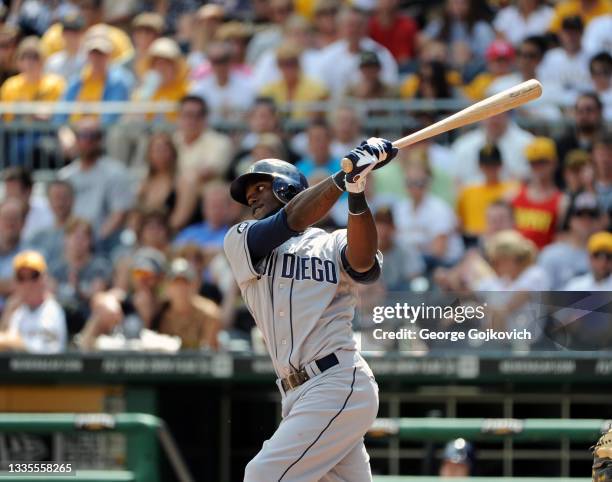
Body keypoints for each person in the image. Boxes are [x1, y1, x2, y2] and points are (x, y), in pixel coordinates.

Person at [224, 137, 399, 480]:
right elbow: (290, 220)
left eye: (261, 186)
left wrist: (356, 189)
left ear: (289, 190)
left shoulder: (329, 242)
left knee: (262, 476)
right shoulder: (240, 238)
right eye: (249, 195)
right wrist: (342, 178)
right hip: (296, 394)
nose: (252, 197)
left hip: (336, 379)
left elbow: (364, 264)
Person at [58, 119, 135, 242]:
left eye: (93, 136)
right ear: (76, 139)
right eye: (83, 136)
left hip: (107, 243)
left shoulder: (116, 173)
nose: (88, 141)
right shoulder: (65, 176)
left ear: (100, 140)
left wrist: (94, 241)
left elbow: (119, 213)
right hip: (70, 243)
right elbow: (58, 215)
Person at [393, 161, 465, 267]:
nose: (414, 188)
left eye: (419, 183)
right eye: (410, 183)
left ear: (427, 183)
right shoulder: (400, 208)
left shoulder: (439, 209)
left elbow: (439, 250)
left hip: (444, 264)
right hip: (411, 262)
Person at [56, 29, 133, 126]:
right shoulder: (77, 80)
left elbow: (110, 118)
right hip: (74, 132)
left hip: (102, 135)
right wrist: (64, 131)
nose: (97, 58)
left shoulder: (120, 81)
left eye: (101, 54)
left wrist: (88, 127)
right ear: (87, 55)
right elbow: (60, 115)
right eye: (93, 53)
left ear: (109, 55)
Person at [48, 218, 111, 331]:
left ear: (90, 241)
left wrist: (77, 290)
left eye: (83, 237)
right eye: (75, 236)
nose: (78, 242)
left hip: (88, 317)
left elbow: (97, 295)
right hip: (60, 317)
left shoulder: (99, 266)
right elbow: (49, 295)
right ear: (65, 239)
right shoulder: (55, 268)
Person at [0, 251, 67, 353]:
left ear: (44, 279)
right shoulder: (17, 311)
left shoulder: (52, 310)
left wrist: (8, 340)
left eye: (33, 276)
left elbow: (43, 351)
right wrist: (7, 314)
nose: (28, 283)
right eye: (21, 278)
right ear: (15, 282)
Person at [539, 192, 603, 289]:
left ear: (599, 221)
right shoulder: (551, 254)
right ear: (570, 220)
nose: (586, 220)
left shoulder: (606, 257)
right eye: (580, 215)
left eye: (592, 215)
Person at [137, 132, 199, 232]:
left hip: (174, 236)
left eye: (164, 150)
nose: (160, 154)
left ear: (173, 153)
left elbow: (180, 219)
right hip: (145, 236)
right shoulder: (145, 183)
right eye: (156, 150)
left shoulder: (184, 181)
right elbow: (136, 214)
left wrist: (159, 234)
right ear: (149, 154)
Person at [154, 258, 221, 350]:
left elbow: (209, 350)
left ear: (195, 285)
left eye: (185, 283)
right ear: (168, 287)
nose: (181, 289)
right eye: (176, 283)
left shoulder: (209, 313)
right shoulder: (161, 312)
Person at [511, 137, 566, 249]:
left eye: (542, 162)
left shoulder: (562, 201)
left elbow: (560, 239)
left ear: (554, 163)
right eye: (533, 163)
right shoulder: (514, 195)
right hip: (514, 257)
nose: (537, 167)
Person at [456, 144, 519, 241]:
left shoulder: (513, 189)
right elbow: (461, 224)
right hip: (475, 240)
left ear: (500, 165)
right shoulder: (468, 191)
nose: (490, 169)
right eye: (486, 165)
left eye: (494, 165)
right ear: (480, 166)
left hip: (504, 238)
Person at [451, 112, 534, 185]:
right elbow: (457, 180)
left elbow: (531, 178)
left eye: (498, 114)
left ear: (508, 114)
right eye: (489, 114)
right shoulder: (463, 145)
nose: (494, 120)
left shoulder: (527, 143)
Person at [260, 42, 329, 120]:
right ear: (278, 66)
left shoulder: (317, 89)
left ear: (299, 64)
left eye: (292, 63)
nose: (288, 68)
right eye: (283, 64)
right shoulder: (268, 90)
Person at [189, 41, 255, 123]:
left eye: (224, 60)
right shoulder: (199, 88)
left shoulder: (248, 86)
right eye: (215, 61)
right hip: (209, 133)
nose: (220, 66)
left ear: (231, 60)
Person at [173, 95, 234, 182]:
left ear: (205, 118)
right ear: (179, 117)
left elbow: (208, 172)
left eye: (198, 115)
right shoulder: (172, 140)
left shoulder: (220, 142)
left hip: (207, 190)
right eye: (188, 115)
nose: (193, 120)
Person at [537, 16, 591, 107]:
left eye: (575, 32)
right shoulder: (550, 57)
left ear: (582, 33)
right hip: (554, 106)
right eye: (568, 32)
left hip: (583, 107)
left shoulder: (591, 57)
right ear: (560, 34)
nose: (571, 36)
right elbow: (544, 85)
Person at [556, 93, 606, 184]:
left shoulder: (608, 145)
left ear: (599, 112)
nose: (584, 115)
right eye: (580, 111)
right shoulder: (562, 144)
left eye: (589, 110)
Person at [174, 182, 231, 251]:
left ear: (228, 208)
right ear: (203, 207)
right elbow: (174, 250)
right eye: (212, 205)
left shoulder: (232, 234)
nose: (216, 210)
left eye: (220, 205)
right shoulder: (190, 232)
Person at [27, 180, 74, 263]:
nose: (60, 203)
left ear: (72, 199)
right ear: (49, 201)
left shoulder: (85, 232)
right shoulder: (38, 237)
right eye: (56, 197)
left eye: (64, 197)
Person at [2, 167, 54, 242]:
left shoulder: (48, 211)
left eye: (13, 192)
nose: (10, 197)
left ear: (29, 191)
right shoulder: (2, 213)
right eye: (8, 192)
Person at [368, 0, 418, 68]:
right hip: (376, 68)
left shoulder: (408, 24)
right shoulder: (369, 26)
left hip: (403, 68)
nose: (387, 3)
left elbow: (407, 57)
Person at [44, 9, 87, 81]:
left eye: (75, 32)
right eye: (67, 32)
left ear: (82, 33)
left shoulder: (90, 59)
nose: (71, 37)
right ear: (62, 34)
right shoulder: (53, 62)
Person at [0, 198, 26, 304]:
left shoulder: (32, 253)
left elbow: (29, 287)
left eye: (14, 218)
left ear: (23, 223)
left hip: (16, 315)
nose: (10, 223)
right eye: (6, 218)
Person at [593, 134, 612, 215]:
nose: (605, 159)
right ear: (593, 155)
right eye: (601, 154)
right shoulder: (584, 185)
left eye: (609, 154)